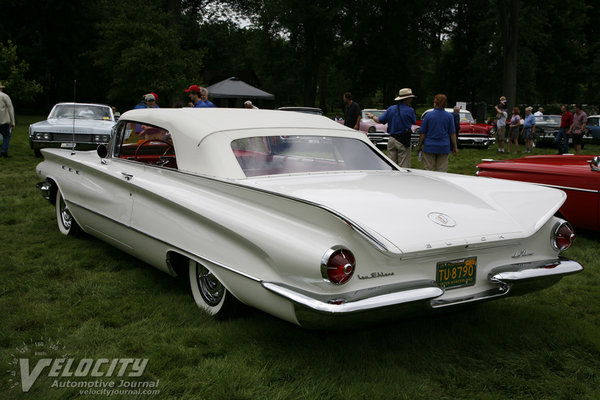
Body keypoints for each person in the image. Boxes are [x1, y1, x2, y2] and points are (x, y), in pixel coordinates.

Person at [367, 88, 417, 168]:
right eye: (410, 98)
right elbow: (414, 121)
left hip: (392, 139)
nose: (411, 99)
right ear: (407, 99)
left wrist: (372, 116)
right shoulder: (410, 110)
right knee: (404, 166)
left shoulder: (391, 109)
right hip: (403, 140)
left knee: (391, 165)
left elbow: (379, 120)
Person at [416, 94, 457, 172]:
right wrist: (455, 147)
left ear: (435, 103)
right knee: (442, 171)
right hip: (444, 146)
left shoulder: (428, 115)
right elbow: (452, 133)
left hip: (429, 146)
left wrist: (420, 145)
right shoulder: (449, 116)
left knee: (428, 170)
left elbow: (423, 132)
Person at [0, 82, 15, 158]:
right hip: (3, 121)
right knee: (6, 136)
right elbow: (10, 109)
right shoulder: (5, 96)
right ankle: (4, 151)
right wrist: (13, 122)